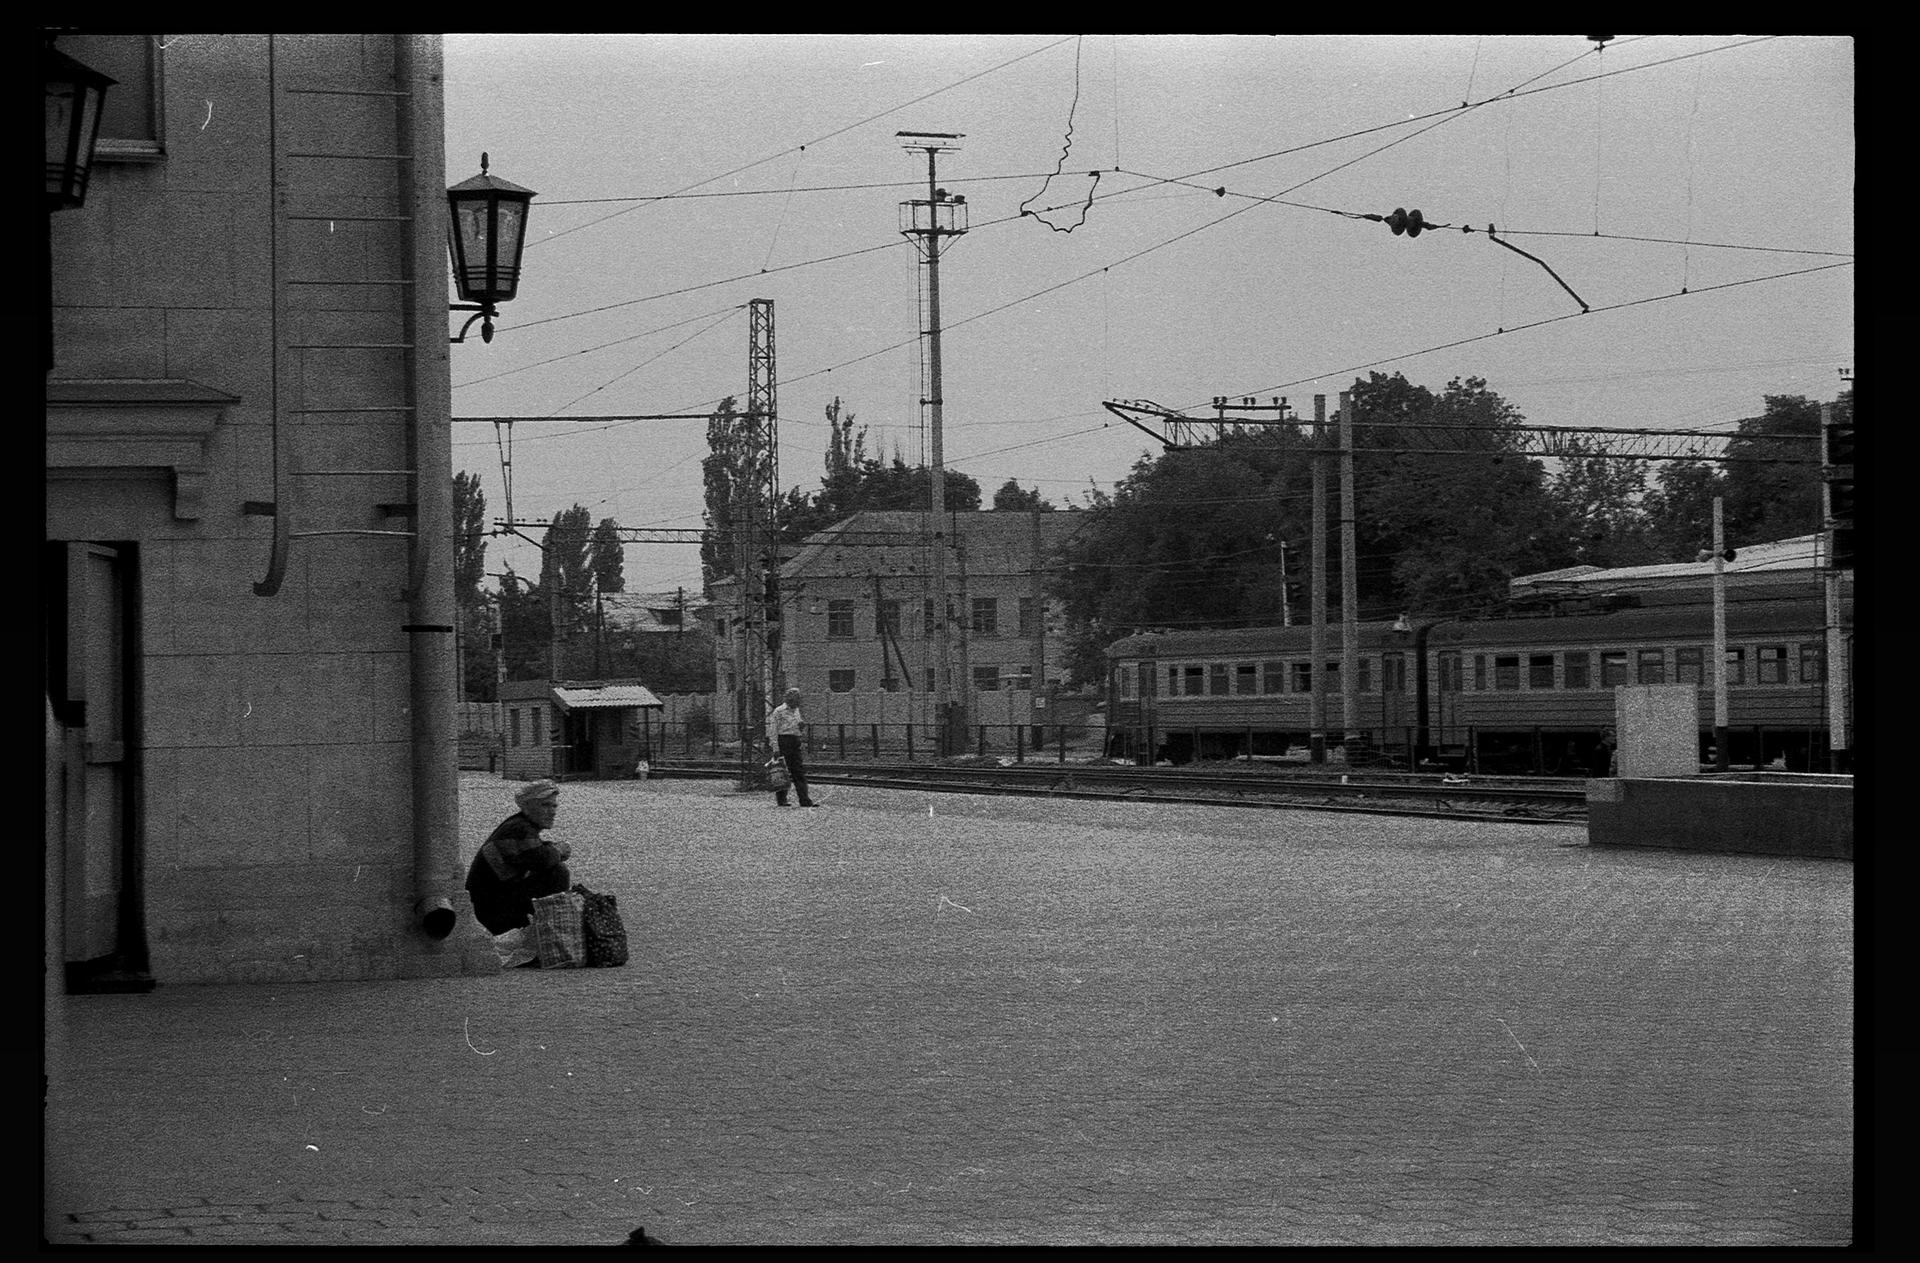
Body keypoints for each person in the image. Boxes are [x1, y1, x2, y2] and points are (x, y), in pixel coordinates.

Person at [465, 779, 573, 935]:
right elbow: (542, 859)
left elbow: (535, 855)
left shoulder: (519, 826)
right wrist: (559, 849)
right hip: (490, 910)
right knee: (558, 872)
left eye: (554, 805)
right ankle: (552, 933)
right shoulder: (518, 828)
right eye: (545, 805)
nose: (552, 811)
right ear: (527, 808)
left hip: (492, 902)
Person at [765, 686, 816, 807]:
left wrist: (801, 728)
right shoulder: (779, 711)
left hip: (794, 740)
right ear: (789, 700)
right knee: (781, 771)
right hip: (783, 740)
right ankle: (781, 799)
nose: (797, 702)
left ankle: (804, 800)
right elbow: (773, 730)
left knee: (798, 771)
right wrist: (775, 748)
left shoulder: (796, 710)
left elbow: (797, 725)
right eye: (795, 700)